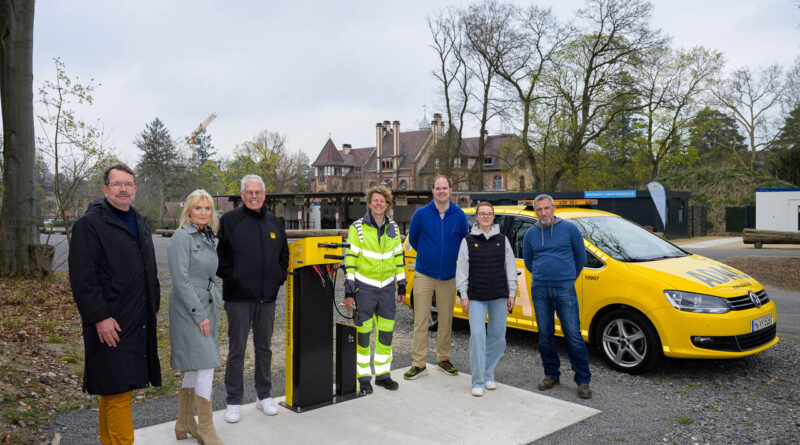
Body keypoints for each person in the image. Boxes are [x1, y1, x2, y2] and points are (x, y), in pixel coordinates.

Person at [69, 164, 161, 445]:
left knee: (114, 391)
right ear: (105, 189)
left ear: (134, 188)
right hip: (111, 321)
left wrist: (153, 302)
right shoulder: (91, 224)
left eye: (128, 184)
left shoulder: (139, 221)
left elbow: (149, 269)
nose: (123, 189)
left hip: (137, 318)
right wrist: (100, 317)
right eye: (117, 184)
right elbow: (83, 278)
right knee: (118, 388)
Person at [216, 175, 288, 423]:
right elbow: (220, 258)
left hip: (267, 299)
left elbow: (284, 257)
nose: (254, 196)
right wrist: (233, 278)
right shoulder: (229, 221)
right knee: (237, 349)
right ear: (242, 195)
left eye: (258, 192)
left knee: (264, 348)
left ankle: (263, 396)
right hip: (238, 299)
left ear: (265, 195)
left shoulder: (274, 223)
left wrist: (277, 280)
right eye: (249, 192)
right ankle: (233, 400)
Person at [168, 189, 224, 445]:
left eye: (208, 208)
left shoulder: (209, 236)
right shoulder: (182, 237)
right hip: (190, 309)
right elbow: (181, 280)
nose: (203, 212)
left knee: (196, 363)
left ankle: (184, 422)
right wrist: (199, 315)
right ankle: (205, 426)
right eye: (198, 208)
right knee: (205, 363)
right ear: (189, 210)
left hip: (207, 305)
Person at [522, 194, 592, 399]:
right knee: (545, 335)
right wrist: (543, 275)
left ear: (553, 208)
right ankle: (551, 374)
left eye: (546, 208)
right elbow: (529, 261)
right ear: (535, 211)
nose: (543, 212)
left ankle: (583, 380)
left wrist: (567, 278)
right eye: (539, 209)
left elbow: (580, 257)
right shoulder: (530, 234)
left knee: (573, 335)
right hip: (540, 290)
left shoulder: (570, 229)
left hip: (564, 289)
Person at [404, 175, 469, 380]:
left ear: (450, 190)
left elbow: (463, 242)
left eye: (445, 188)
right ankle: (419, 363)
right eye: (438, 188)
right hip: (424, 273)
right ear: (432, 191)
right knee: (421, 320)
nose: (441, 191)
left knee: (446, 320)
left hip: (449, 275)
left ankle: (443, 359)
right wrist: (428, 255)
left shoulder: (459, 215)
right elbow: (413, 239)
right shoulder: (421, 214)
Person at [343, 186, 406, 394]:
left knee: (386, 335)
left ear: (387, 205)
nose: (379, 204)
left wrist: (402, 285)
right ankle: (363, 378)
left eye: (383, 201)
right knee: (362, 336)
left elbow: (398, 259)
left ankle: (383, 375)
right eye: (375, 200)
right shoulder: (357, 228)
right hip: (365, 290)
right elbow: (350, 261)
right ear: (369, 203)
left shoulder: (394, 229)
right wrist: (349, 291)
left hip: (387, 289)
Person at [455, 202, 516, 397]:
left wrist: (511, 293)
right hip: (476, 297)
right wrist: (464, 295)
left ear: (493, 216)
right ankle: (478, 380)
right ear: (476, 216)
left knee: (498, 338)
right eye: (482, 213)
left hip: (499, 295)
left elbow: (511, 268)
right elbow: (462, 271)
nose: (486, 216)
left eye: (489, 213)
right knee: (478, 336)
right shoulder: (468, 240)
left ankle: (489, 373)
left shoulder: (502, 240)